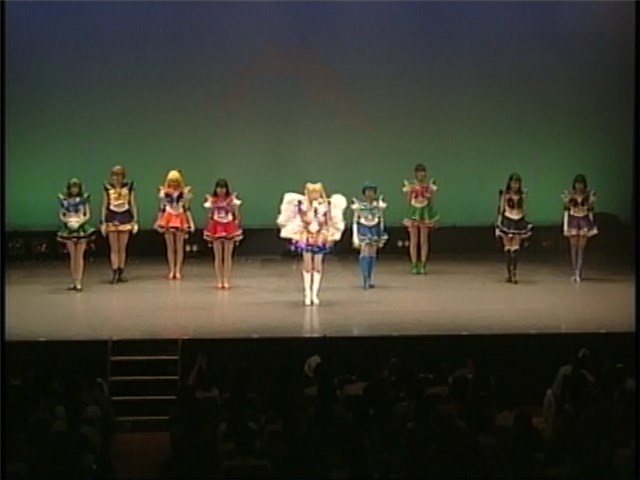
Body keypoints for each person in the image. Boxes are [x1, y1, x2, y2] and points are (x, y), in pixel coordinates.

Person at [277, 182, 347, 306]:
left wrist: (329, 234)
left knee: (318, 265)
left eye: (316, 193)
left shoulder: (326, 205)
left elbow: (329, 221)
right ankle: (307, 293)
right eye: (312, 193)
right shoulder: (302, 205)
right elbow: (297, 219)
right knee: (307, 265)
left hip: (320, 237)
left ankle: (315, 294)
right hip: (306, 237)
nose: (314, 195)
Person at [101, 166, 139, 284]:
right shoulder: (107, 187)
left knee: (122, 248)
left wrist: (135, 220)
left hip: (125, 216)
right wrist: (103, 222)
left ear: (123, 176)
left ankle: (121, 272)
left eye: (119, 175)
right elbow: (104, 204)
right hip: (111, 217)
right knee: (114, 248)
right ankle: (114, 272)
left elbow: (132, 203)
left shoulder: (129, 187)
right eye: (114, 175)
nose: (116, 177)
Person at [57, 179, 96, 291]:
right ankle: (73, 280)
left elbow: (87, 214)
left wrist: (80, 222)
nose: (74, 190)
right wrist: (67, 222)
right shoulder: (64, 201)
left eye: (76, 187)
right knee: (72, 256)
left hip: (81, 229)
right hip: (69, 229)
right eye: (72, 187)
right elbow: (61, 215)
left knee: (79, 256)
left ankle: (79, 280)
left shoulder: (84, 200)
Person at [155, 170, 195, 280]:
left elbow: (187, 208)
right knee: (170, 247)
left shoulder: (184, 193)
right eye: (171, 181)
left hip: (180, 217)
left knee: (179, 246)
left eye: (175, 181)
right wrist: (158, 221)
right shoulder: (164, 193)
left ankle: (178, 270)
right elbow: (161, 208)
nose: (173, 183)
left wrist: (191, 222)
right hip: (168, 217)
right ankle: (171, 269)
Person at [203, 179, 243, 289]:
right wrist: (209, 229)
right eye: (219, 188)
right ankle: (219, 280)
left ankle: (226, 280)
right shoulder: (212, 201)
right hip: (216, 227)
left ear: (226, 188)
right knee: (218, 256)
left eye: (223, 188)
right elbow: (210, 216)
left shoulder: (232, 200)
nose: (221, 190)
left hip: (229, 226)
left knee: (228, 256)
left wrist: (236, 227)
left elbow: (237, 216)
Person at [496, 173, 532, 284]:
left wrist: (525, 199)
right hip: (507, 221)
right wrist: (498, 224)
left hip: (518, 222)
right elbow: (501, 210)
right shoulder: (505, 194)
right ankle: (509, 273)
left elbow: (525, 212)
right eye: (513, 183)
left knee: (515, 249)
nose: (515, 185)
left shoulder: (522, 195)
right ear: (509, 183)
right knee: (507, 248)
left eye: (517, 183)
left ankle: (514, 273)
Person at [402, 164, 439, 274]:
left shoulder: (429, 187)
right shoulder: (411, 186)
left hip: (425, 214)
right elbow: (408, 201)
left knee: (424, 240)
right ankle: (414, 264)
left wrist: (431, 216)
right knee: (413, 240)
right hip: (414, 213)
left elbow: (431, 202)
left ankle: (423, 264)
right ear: (416, 174)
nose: (421, 174)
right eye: (419, 172)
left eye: (423, 172)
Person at [351, 182, 388, 289]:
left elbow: (381, 220)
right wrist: (355, 236)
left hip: (374, 229)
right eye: (367, 191)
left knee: (372, 253)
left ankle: (370, 277)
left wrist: (381, 233)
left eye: (371, 191)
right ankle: (365, 278)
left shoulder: (378, 206)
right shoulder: (359, 206)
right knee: (364, 252)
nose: (369, 193)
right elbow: (355, 221)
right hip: (363, 229)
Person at [562, 175, 598, 282]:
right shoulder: (569, 195)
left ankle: (579, 272)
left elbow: (590, 211)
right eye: (577, 183)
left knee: (581, 249)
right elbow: (566, 211)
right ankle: (574, 272)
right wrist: (565, 226)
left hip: (584, 221)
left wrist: (591, 225)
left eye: (581, 183)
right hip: (573, 221)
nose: (579, 186)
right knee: (573, 248)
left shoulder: (589, 196)